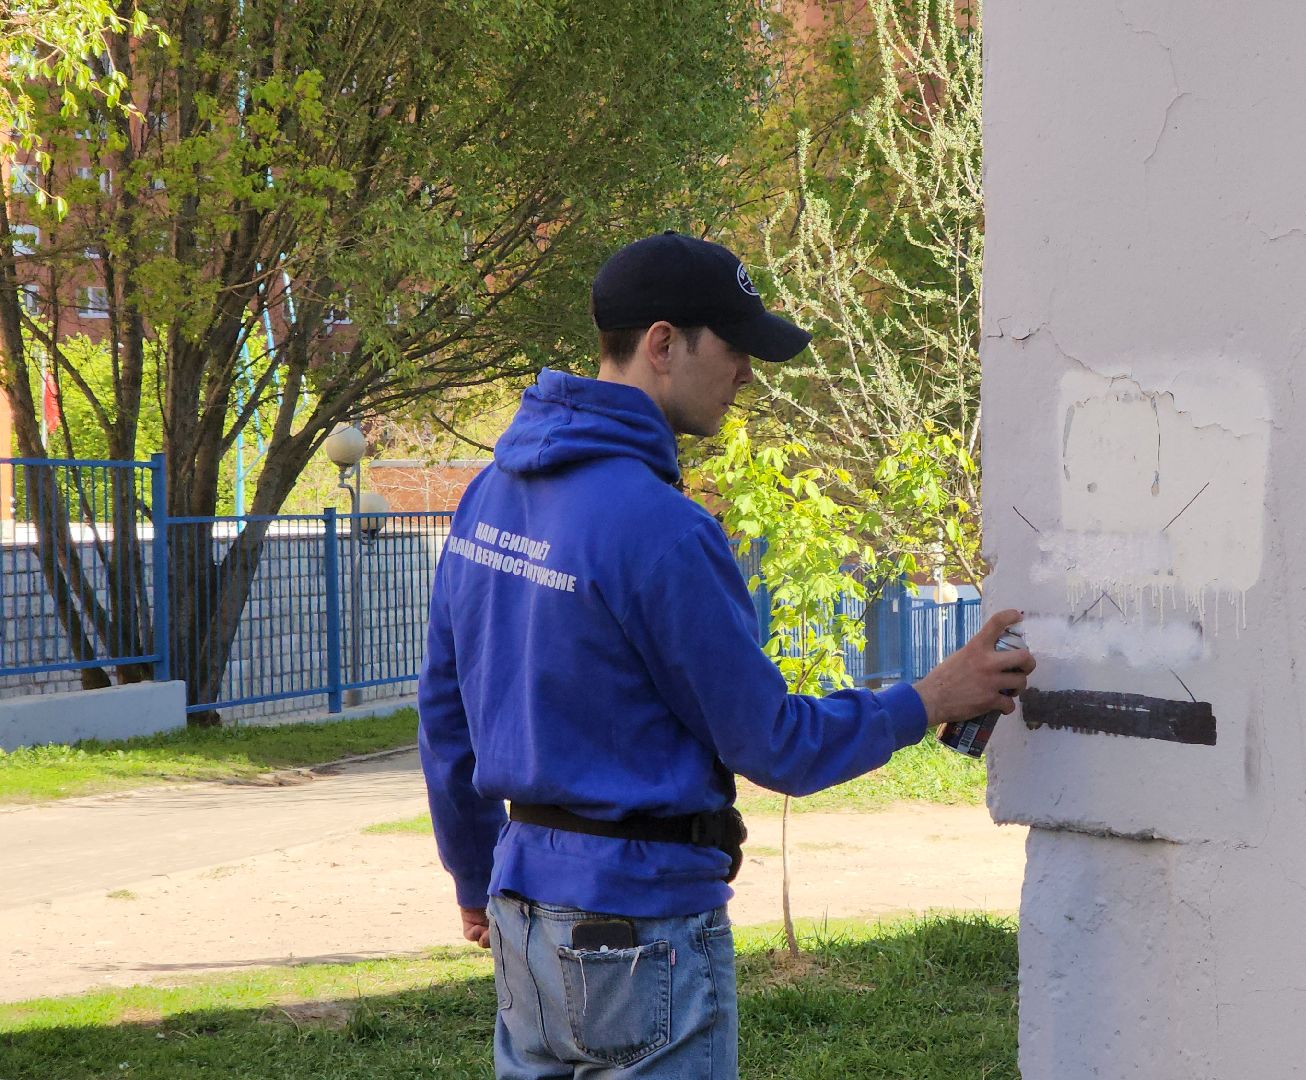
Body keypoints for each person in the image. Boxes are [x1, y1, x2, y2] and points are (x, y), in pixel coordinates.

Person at [417, 230, 1034, 1079]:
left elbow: (444, 712)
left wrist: (474, 872)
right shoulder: (661, 529)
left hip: (525, 912)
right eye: (735, 348)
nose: (748, 372)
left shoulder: (489, 495)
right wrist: (931, 697)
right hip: (642, 931)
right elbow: (776, 743)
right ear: (664, 345)